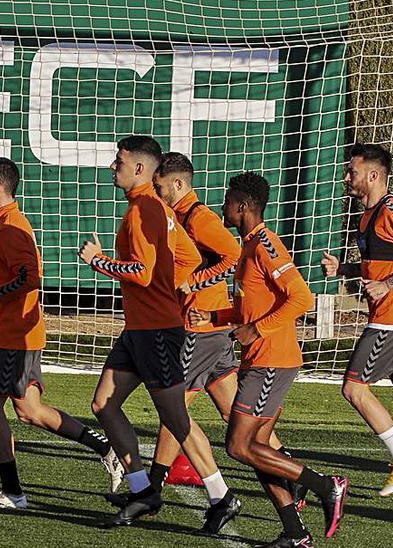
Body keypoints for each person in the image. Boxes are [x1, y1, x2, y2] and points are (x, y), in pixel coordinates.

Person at [190, 172, 349, 547]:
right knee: (258, 451)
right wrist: (216, 318)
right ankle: (295, 533)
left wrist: (256, 331)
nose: (223, 207)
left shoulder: (265, 245)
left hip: (272, 361)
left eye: (228, 201)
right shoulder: (246, 246)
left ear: (242, 206)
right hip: (260, 360)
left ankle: (327, 485)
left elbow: (301, 299)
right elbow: (254, 306)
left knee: (238, 446)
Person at [76, 136, 216, 528]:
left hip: (156, 330)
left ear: (140, 168)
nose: (111, 167)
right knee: (104, 404)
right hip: (140, 328)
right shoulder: (158, 210)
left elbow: (141, 271)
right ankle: (142, 489)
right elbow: (186, 258)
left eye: (118, 161)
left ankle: (221, 497)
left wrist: (99, 261)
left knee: (174, 417)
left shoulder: (143, 212)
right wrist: (175, 286)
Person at [0, 156, 123, 510]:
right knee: (30, 410)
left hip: (14, 337)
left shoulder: (10, 228)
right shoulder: (7, 223)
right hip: (19, 333)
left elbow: (30, 279)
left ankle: (13, 493)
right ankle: (105, 447)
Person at [145, 151, 251, 532]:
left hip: (200, 330)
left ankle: (152, 488)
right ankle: (291, 473)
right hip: (208, 328)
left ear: (178, 184)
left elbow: (234, 256)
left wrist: (196, 284)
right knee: (237, 415)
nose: (156, 192)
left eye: (160, 187)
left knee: (173, 410)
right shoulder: (176, 217)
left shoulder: (198, 217)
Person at [321, 143, 393, 496]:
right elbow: (382, 262)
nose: (347, 176)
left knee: (353, 388)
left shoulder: (392, 209)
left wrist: (388, 285)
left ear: (375, 175)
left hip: (392, 320)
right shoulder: (367, 214)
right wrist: (344, 269)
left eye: (353, 171)